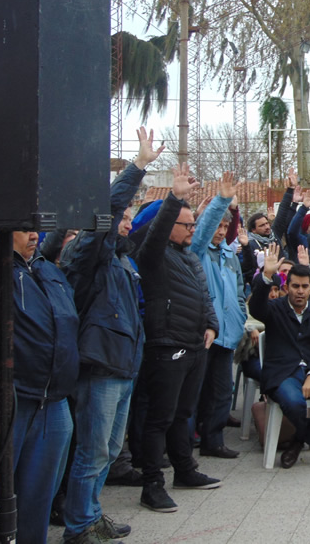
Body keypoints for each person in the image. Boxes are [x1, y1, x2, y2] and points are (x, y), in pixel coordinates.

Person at [59, 128, 161, 543]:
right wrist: (137, 167)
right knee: (93, 450)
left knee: (107, 451)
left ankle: (92, 514)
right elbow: (109, 209)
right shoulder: (87, 255)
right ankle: (78, 526)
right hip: (99, 368)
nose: (125, 222)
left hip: (123, 368)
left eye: (127, 218)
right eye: (119, 218)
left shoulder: (122, 262)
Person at [0, 228, 78, 543]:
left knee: (36, 502)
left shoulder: (45, 269)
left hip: (52, 403)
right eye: (22, 227)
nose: (34, 234)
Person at [135, 164, 221, 513]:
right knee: (160, 418)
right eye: (186, 225)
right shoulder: (153, 256)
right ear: (168, 227)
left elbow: (204, 297)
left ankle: (185, 470)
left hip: (194, 347)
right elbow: (153, 234)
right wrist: (174, 198)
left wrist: (212, 325)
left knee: (183, 414)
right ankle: (151, 484)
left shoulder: (188, 259)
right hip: (167, 345)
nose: (192, 230)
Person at [248, 245, 310, 469]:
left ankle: (299, 440)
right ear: (286, 287)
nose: (299, 291)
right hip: (282, 373)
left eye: (304, 287)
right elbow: (255, 308)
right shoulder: (274, 309)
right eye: (295, 286)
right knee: (294, 402)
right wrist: (266, 276)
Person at [189, 172, 248, 459]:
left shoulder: (230, 255)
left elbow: (238, 292)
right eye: (218, 225)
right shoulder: (196, 251)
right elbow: (200, 233)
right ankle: (187, 441)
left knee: (223, 390)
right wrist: (222, 200)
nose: (221, 231)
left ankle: (214, 440)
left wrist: (239, 319)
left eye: (226, 226)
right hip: (204, 332)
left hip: (227, 333)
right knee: (196, 390)